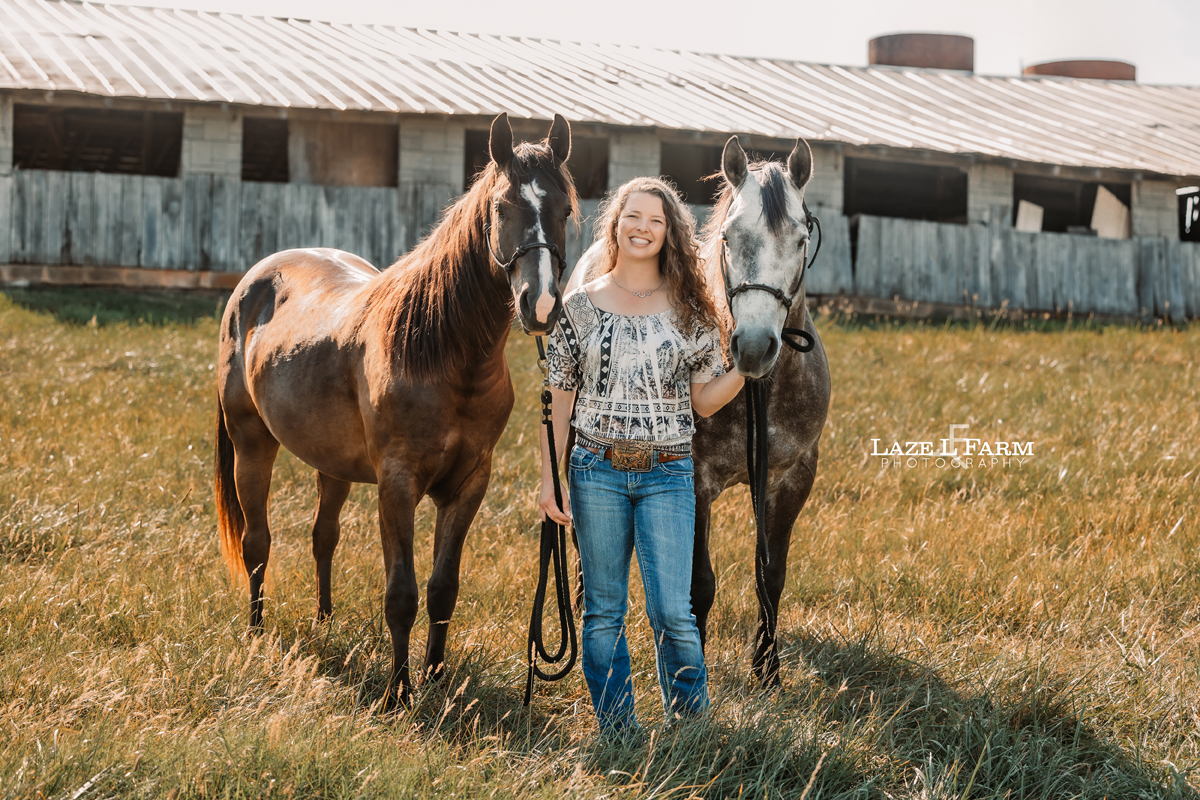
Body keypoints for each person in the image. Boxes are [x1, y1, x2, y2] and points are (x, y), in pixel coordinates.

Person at [538, 177, 745, 736]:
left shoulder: (690, 311)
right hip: (595, 470)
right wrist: (549, 478)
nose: (642, 228)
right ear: (616, 222)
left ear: (670, 233)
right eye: (633, 216)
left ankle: (689, 724)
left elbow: (703, 402)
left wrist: (744, 368)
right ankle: (619, 730)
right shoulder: (579, 306)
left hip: (668, 472)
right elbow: (557, 400)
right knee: (603, 611)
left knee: (673, 612)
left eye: (655, 220)